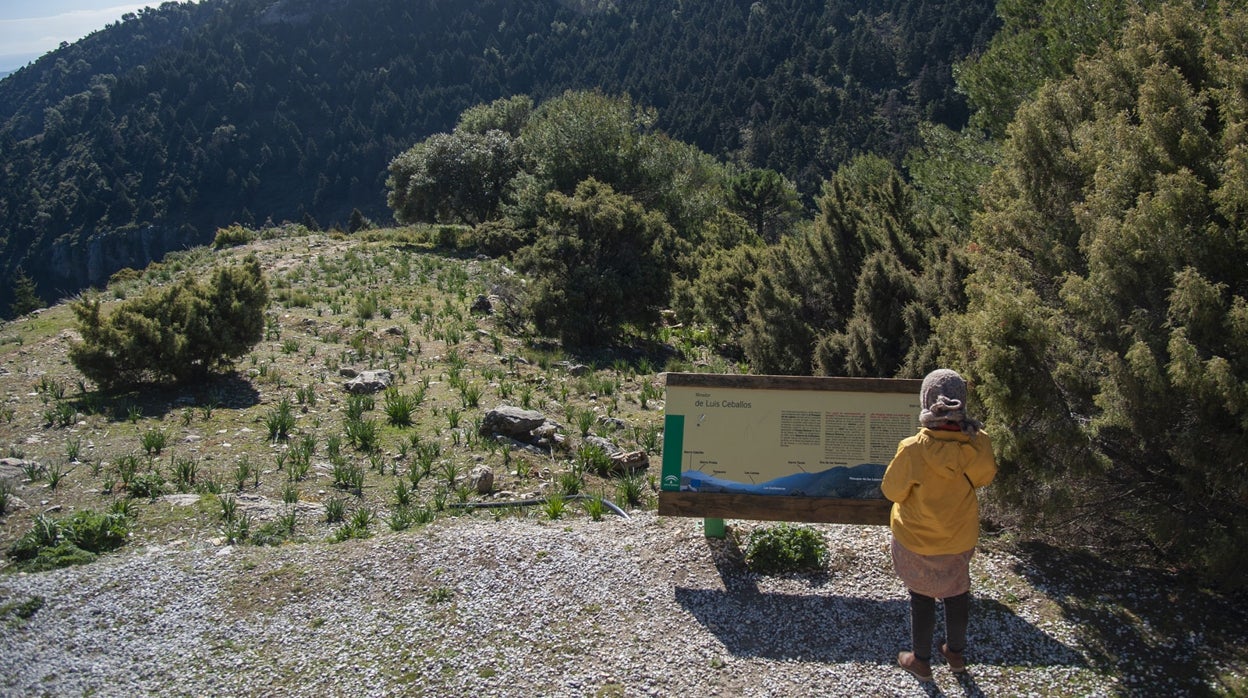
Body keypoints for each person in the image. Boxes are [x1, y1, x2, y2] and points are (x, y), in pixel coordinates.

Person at [881, 368, 997, 682]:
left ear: (927, 401)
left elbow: (892, 491)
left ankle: (921, 661)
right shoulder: (978, 443)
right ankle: (955, 654)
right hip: (958, 538)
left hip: (915, 538)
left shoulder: (913, 448)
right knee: (957, 592)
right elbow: (984, 477)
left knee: (921, 597)